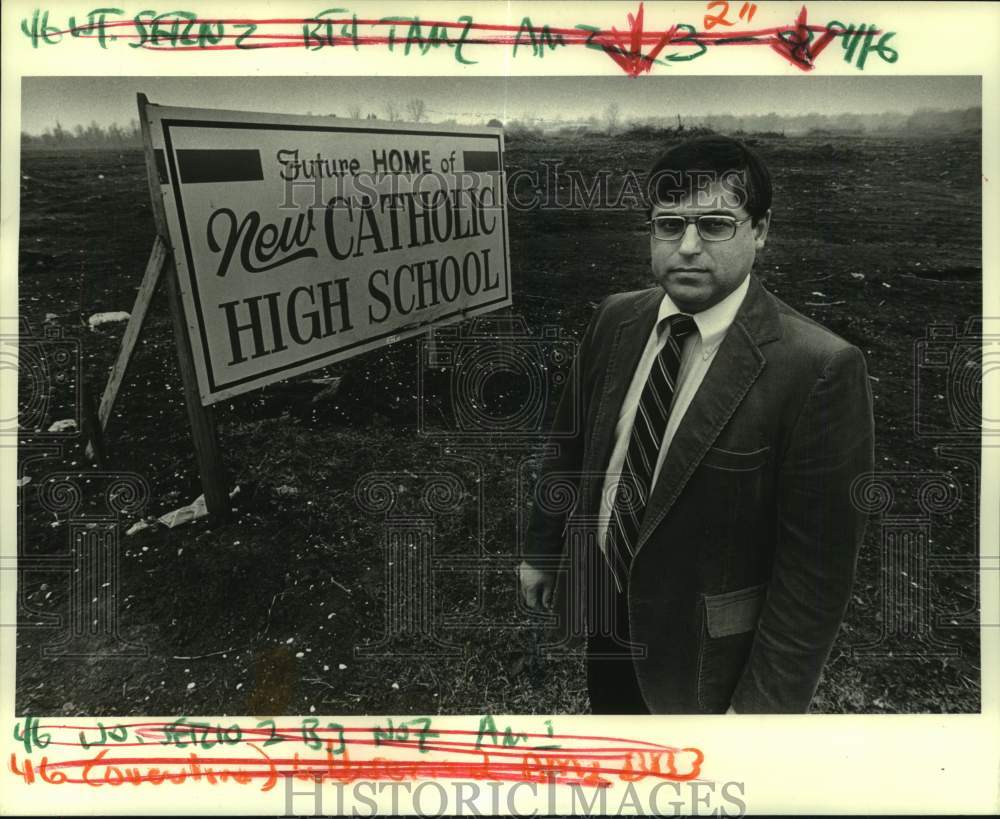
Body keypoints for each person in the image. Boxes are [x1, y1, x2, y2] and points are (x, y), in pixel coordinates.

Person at [519, 135, 875, 714]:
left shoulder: (818, 369)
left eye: (715, 225)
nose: (686, 247)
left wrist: (758, 715)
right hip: (605, 611)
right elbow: (572, 445)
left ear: (759, 230)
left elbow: (815, 575)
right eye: (668, 224)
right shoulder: (615, 318)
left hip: (707, 659)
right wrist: (541, 550)